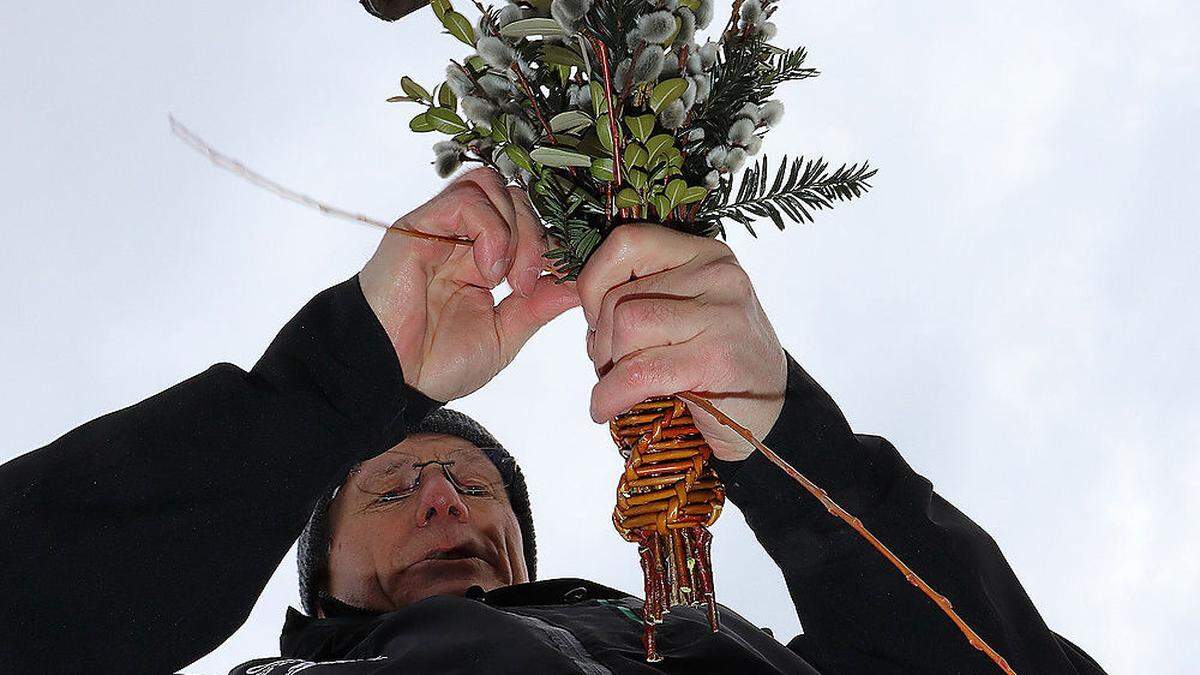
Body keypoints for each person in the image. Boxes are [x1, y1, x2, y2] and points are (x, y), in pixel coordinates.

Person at [0, 169, 1105, 675]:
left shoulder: (743, 656)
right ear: (316, 580)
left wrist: (785, 441)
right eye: (390, 490)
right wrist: (330, 390)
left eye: (475, 489)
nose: (443, 495)